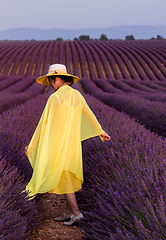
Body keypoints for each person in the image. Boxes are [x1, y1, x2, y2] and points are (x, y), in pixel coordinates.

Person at [25, 64, 110, 226]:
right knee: (68, 176)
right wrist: (101, 131)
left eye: (50, 80)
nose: (50, 83)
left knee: (65, 180)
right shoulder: (77, 95)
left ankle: (77, 213)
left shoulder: (54, 98)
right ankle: (67, 213)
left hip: (59, 145)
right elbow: (88, 114)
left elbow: (43, 124)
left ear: (57, 79)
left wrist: (32, 144)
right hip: (72, 146)